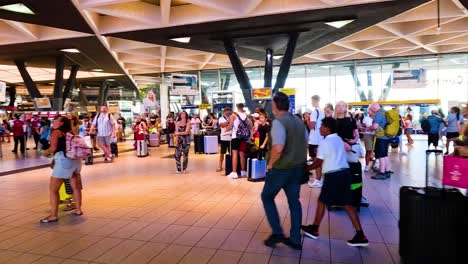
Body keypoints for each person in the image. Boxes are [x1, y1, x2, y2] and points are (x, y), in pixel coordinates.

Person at [302, 117, 368, 247]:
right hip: (345, 173)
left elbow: (318, 163)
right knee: (347, 204)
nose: (320, 128)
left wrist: (304, 168)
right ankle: (361, 235)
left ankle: (314, 229)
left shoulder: (325, 143)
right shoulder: (339, 139)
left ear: (327, 128)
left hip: (333, 176)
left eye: (322, 126)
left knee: (322, 201)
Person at [261, 92, 307, 250]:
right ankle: (295, 239)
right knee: (294, 202)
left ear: (275, 105)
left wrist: (270, 164)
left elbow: (278, 148)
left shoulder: (279, 122)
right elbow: (304, 142)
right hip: (298, 168)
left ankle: (277, 232)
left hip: (281, 169)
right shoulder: (299, 121)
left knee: (266, 196)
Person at [39, 116, 83, 223]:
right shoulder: (70, 132)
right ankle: (78, 210)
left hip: (64, 162)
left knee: (53, 189)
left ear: (62, 123)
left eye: (56, 120)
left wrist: (45, 153)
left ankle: (53, 215)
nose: (53, 122)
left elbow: (53, 148)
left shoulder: (56, 132)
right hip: (75, 161)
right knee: (76, 187)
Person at [226, 103, 252, 179]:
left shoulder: (233, 115)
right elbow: (250, 126)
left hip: (235, 136)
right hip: (244, 137)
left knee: (235, 154)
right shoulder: (246, 116)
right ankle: (243, 171)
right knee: (242, 154)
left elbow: (230, 126)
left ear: (237, 107)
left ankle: (234, 172)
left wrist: (226, 130)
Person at [366, 103, 391, 180]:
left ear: (373, 108)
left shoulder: (379, 114)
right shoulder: (385, 112)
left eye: (370, 109)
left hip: (381, 137)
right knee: (385, 155)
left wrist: (368, 128)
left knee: (381, 156)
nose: (371, 111)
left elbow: (375, 126)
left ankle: (382, 173)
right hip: (387, 137)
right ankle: (387, 171)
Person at [307, 95, 325, 188]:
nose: (311, 102)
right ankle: (320, 179)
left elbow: (311, 126)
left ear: (314, 101)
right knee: (319, 160)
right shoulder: (322, 112)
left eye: (312, 101)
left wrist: (307, 119)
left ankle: (318, 180)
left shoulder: (314, 112)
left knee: (315, 160)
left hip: (314, 140)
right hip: (320, 139)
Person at [217, 107, 232, 172]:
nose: (228, 113)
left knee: (231, 153)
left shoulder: (232, 118)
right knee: (222, 153)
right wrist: (229, 122)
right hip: (224, 138)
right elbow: (222, 125)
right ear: (224, 112)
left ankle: (231, 166)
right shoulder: (221, 118)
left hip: (231, 138)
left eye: (229, 111)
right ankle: (220, 166)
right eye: (227, 111)